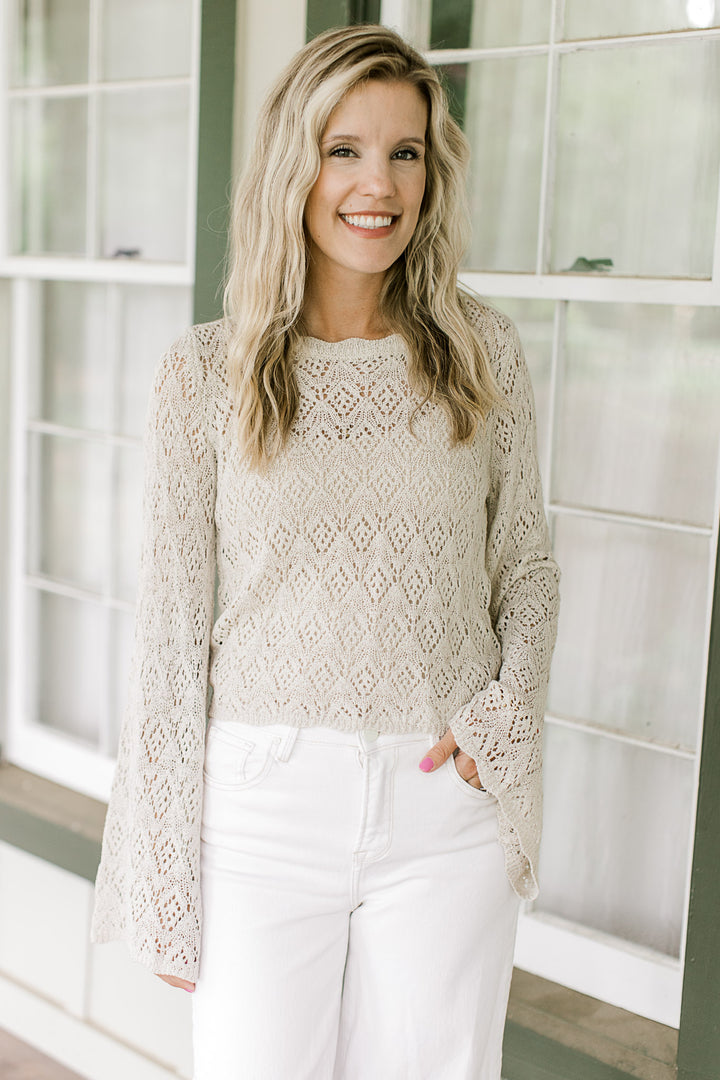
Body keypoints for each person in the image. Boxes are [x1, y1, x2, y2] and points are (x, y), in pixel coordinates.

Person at [90, 23, 561, 1080]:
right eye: (345, 148)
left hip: (446, 799)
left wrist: (503, 713)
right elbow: (168, 639)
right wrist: (168, 868)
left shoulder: (484, 356)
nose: (378, 185)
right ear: (293, 165)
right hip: (260, 806)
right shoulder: (205, 375)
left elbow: (524, 566)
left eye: (405, 153)